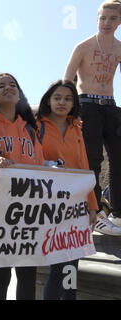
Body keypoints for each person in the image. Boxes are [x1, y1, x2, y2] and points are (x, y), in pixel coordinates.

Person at [0, 73, 45, 300]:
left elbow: (40, 168)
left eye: (13, 85)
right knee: (0, 274)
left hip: (29, 210)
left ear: (19, 95)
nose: (8, 88)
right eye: (1, 85)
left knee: (27, 275)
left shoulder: (30, 129)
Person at [36, 80, 98, 300]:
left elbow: (84, 167)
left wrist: (92, 206)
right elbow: (32, 162)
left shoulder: (77, 128)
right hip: (49, 206)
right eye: (57, 98)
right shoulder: (37, 126)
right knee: (58, 267)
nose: (62, 102)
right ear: (48, 100)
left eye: (68, 98)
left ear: (74, 103)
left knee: (71, 268)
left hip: (76, 207)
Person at [64, 0, 121, 235]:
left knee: (119, 156)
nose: (106, 23)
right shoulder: (83, 46)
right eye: (102, 18)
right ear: (97, 18)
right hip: (86, 104)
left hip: (110, 106)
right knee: (93, 160)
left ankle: (117, 212)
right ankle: (95, 213)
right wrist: (69, 110)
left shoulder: (119, 48)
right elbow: (67, 80)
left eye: (112, 18)